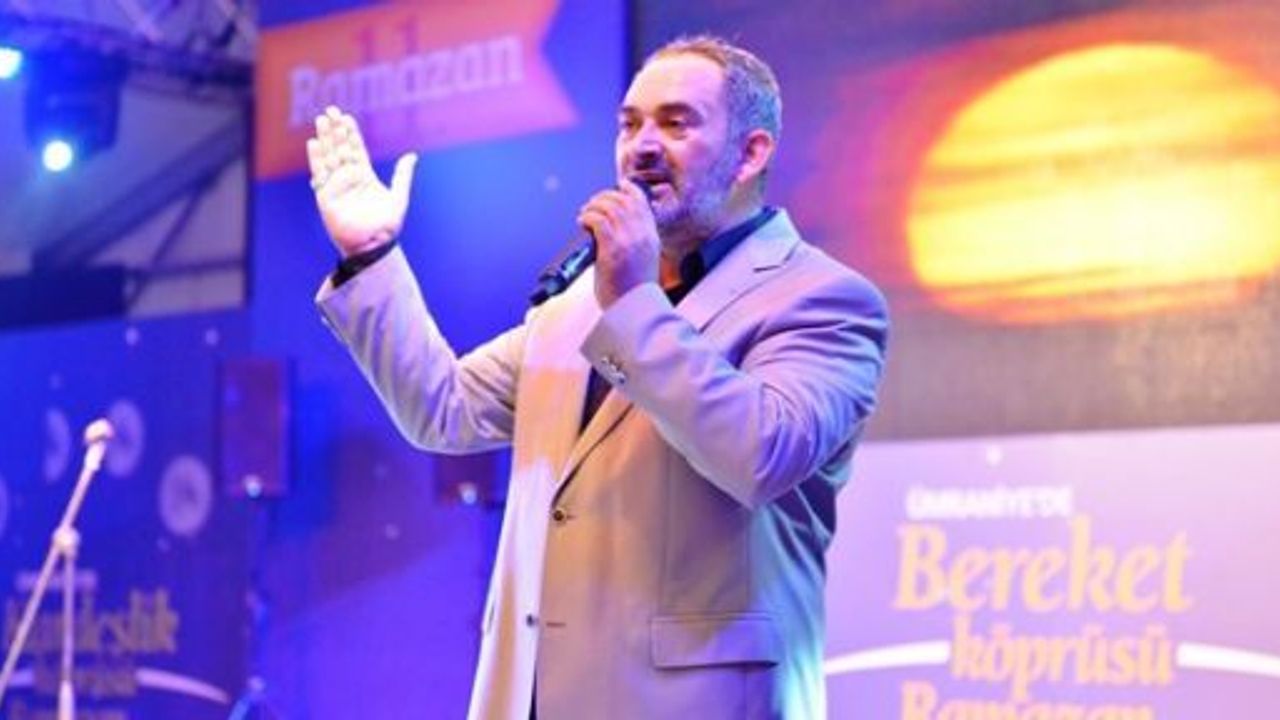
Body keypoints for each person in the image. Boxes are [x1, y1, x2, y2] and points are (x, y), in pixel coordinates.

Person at [309, 34, 888, 720]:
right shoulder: (579, 305)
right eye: (629, 124)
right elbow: (444, 409)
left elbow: (760, 453)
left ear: (751, 153)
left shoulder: (821, 299)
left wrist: (633, 303)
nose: (642, 147)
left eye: (676, 123)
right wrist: (370, 256)